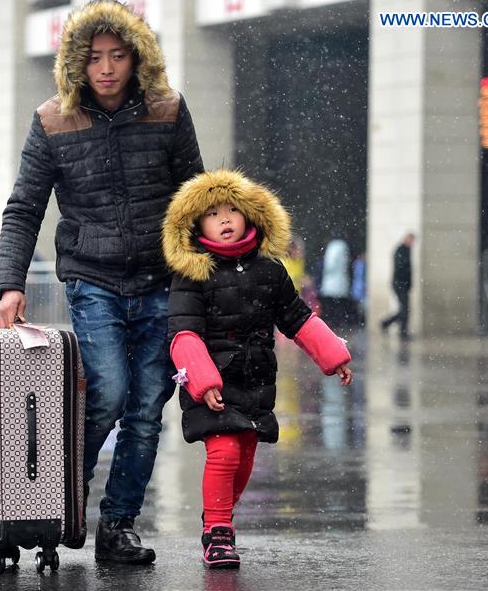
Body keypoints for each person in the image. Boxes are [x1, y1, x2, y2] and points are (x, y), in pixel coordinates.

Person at [0, 0, 204, 564]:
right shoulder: (52, 119)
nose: (107, 68)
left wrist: (208, 271)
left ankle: (118, 525)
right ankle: (61, 504)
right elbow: (23, 208)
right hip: (94, 278)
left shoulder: (167, 109)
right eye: (94, 58)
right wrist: (10, 283)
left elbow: (197, 196)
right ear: (76, 65)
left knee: (146, 406)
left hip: (162, 279)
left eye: (117, 56)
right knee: (108, 391)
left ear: (138, 59)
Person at [162, 170, 352, 569]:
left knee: (244, 455)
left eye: (233, 209)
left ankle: (219, 517)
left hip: (256, 379)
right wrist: (202, 380)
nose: (225, 218)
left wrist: (334, 356)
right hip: (212, 382)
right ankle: (217, 531)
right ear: (197, 224)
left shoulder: (270, 270)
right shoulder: (193, 273)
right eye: (214, 213)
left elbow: (297, 318)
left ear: (252, 215)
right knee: (225, 452)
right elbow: (183, 333)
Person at [381, 233, 415, 339]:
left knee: (404, 309)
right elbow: (402, 268)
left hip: (403, 285)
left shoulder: (406, 250)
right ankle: (400, 330)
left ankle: (388, 323)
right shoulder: (401, 250)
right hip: (400, 284)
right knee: (405, 309)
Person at [318, 238, 352, 327]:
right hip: (340, 285)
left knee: (331, 308)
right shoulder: (342, 246)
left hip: (331, 285)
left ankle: (332, 323)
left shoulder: (334, 247)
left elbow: (330, 265)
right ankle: (337, 323)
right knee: (337, 308)